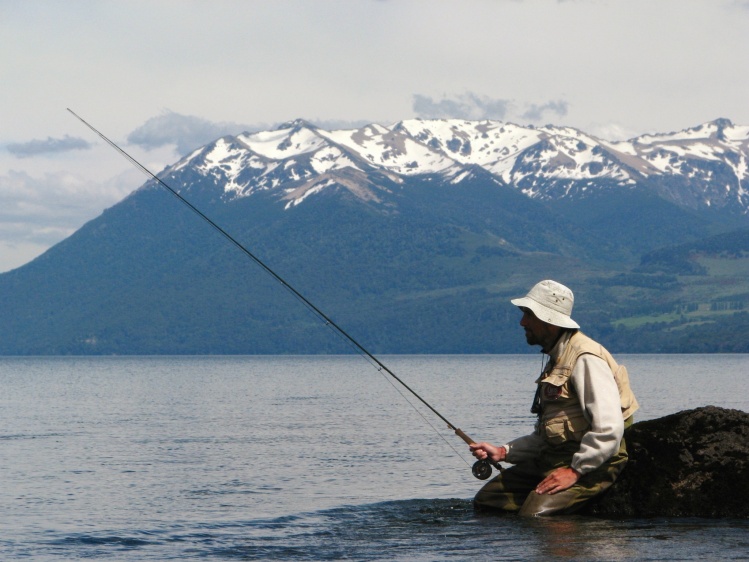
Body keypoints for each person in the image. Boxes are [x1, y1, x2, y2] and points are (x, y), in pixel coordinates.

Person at [470, 279, 638, 516]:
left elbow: (609, 429)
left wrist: (575, 471)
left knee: (534, 517)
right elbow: (547, 436)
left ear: (548, 320)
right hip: (555, 458)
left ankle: (568, 549)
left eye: (529, 315)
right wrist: (504, 452)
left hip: (595, 464)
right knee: (488, 501)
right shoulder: (557, 358)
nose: (522, 322)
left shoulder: (585, 359)